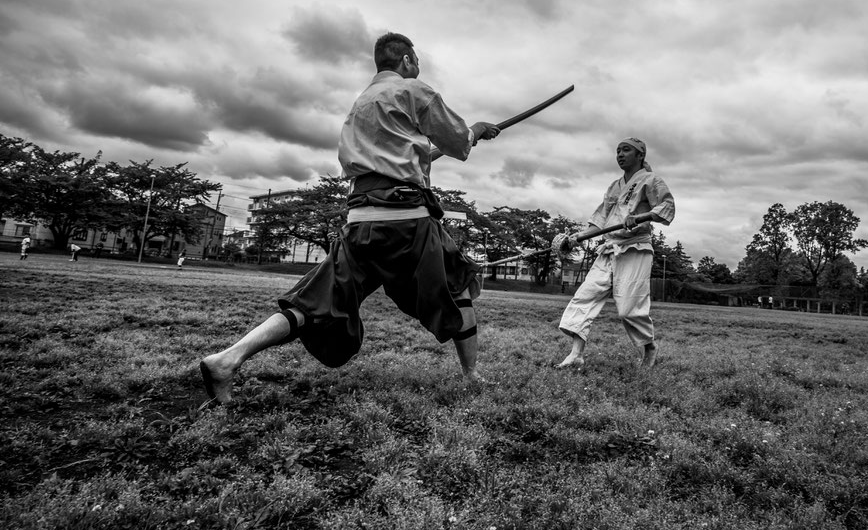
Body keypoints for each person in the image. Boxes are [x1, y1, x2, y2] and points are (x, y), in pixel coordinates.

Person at [200, 32, 501, 404]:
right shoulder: (414, 91)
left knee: (314, 302)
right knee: (456, 288)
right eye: (416, 60)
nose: (417, 66)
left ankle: (227, 360)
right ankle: (471, 374)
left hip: (362, 221)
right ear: (406, 61)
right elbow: (460, 143)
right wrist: (478, 129)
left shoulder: (360, 105)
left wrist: (428, 153)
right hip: (408, 223)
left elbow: (390, 160)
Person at [555, 138, 675, 369]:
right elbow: (600, 221)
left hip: (635, 249)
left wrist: (641, 217)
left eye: (626, 150)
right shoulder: (614, 186)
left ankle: (649, 347)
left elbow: (667, 205)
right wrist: (576, 238)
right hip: (609, 249)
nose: (620, 154)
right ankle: (576, 353)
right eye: (618, 151)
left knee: (629, 308)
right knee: (585, 296)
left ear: (640, 155)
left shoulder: (651, 180)